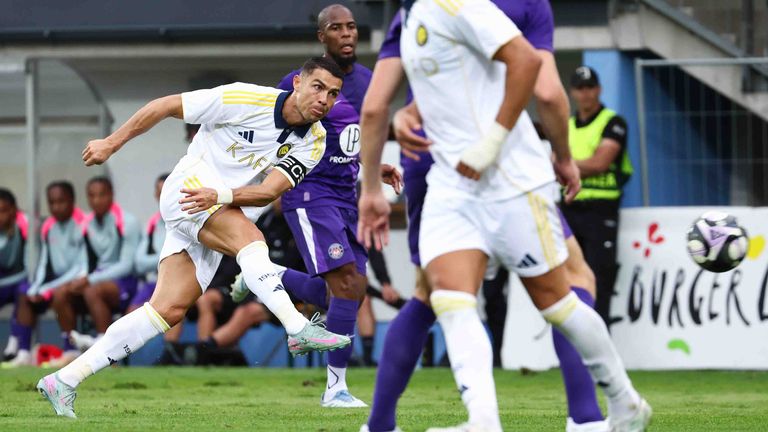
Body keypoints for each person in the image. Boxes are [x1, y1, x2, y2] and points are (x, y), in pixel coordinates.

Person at [358, 1, 650, 431]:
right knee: (450, 298)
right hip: (450, 183)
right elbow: (448, 88)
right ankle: (483, 420)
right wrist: (408, 115)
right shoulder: (411, 14)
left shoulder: (456, 4)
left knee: (558, 299)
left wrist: (493, 142)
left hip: (510, 181)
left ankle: (624, 404)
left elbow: (528, 64)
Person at [37, 56, 351, 419]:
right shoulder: (245, 99)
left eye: (333, 93)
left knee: (167, 310)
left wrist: (222, 196)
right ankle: (296, 328)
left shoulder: (315, 140)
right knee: (252, 241)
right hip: (189, 189)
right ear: (297, 82)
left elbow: (267, 192)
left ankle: (64, 379)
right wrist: (111, 142)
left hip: (217, 205)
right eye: (318, 87)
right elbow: (166, 105)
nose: (324, 99)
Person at [270, 4, 401, 408]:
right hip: (310, 192)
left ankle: (264, 275)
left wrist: (378, 167)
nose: (347, 34)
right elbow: (274, 133)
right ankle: (336, 389)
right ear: (321, 37)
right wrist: (271, 184)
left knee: (349, 292)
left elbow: (360, 135)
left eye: (351, 27)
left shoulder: (368, 81)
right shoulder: (300, 82)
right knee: (346, 284)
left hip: (348, 195)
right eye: (336, 28)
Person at [562, 66, 633, 326]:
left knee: (600, 278)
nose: (585, 94)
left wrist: (563, 163)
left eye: (590, 87)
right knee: (567, 278)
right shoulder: (565, 125)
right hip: (570, 209)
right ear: (572, 92)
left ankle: (600, 342)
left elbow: (600, 162)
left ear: (599, 89)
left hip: (601, 211)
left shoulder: (612, 122)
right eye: (580, 88)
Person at [4, 182, 86, 367]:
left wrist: (49, 288)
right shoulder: (48, 225)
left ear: (72, 200)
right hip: (55, 282)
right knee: (26, 293)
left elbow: (81, 266)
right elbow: (44, 261)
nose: (56, 207)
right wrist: (38, 287)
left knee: (60, 294)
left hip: (78, 282)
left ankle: (70, 350)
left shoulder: (82, 223)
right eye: (52, 202)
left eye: (61, 201)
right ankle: (24, 354)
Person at [65, 177, 141, 355]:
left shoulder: (127, 221)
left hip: (126, 282)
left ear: (111, 195)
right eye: (92, 196)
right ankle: (69, 351)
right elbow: (84, 262)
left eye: (102, 195)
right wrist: (79, 279)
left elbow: (127, 265)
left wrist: (89, 279)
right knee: (62, 292)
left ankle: (104, 348)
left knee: (92, 290)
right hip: (97, 279)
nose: (96, 200)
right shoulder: (85, 223)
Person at [0, 189, 30, 363]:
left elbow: (30, 264)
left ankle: (18, 346)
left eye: (3, 210)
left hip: (20, 280)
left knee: (24, 291)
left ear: (13, 210)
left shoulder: (24, 224)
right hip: (3, 284)